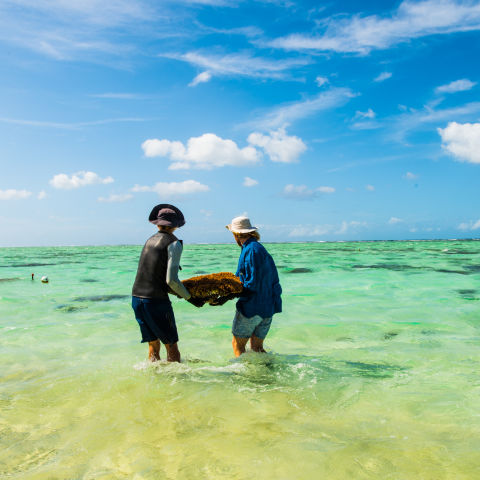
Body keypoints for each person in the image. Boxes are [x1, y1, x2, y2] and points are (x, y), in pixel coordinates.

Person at [131, 204, 203, 362]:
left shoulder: (150, 240)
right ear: (176, 225)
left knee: (153, 344)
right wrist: (190, 298)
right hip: (155, 301)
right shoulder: (174, 243)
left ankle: (155, 381)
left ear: (157, 223)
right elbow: (171, 280)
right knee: (172, 347)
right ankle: (178, 384)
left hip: (136, 298)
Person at [226, 216, 282, 357]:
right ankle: (268, 374)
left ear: (236, 234)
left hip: (252, 307)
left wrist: (227, 292)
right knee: (257, 348)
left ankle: (242, 378)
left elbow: (250, 283)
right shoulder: (259, 249)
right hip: (268, 307)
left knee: (237, 345)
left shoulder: (250, 250)